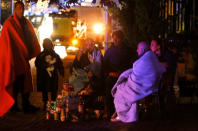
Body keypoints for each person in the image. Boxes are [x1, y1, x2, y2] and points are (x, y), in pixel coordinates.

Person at [0, 1, 41, 116]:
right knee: (15, 83)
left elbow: (30, 36)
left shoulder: (26, 22)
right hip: (14, 59)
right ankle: (14, 106)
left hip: (23, 59)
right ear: (15, 9)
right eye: (18, 8)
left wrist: (31, 50)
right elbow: (6, 43)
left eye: (22, 8)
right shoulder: (9, 24)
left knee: (25, 83)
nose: (21, 11)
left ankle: (25, 105)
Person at [111, 41, 166, 123]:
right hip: (151, 85)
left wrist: (128, 77)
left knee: (120, 90)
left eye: (138, 49)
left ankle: (123, 115)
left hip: (143, 86)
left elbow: (136, 77)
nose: (137, 51)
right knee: (121, 87)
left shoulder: (146, 60)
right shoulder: (151, 57)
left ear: (143, 50)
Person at [103, 30, 136, 119]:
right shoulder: (110, 51)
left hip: (125, 75)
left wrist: (123, 72)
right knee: (108, 85)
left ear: (121, 39)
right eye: (114, 39)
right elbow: (105, 65)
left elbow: (133, 64)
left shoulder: (128, 50)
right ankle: (109, 110)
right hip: (112, 75)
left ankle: (123, 110)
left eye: (117, 39)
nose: (115, 41)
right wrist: (110, 73)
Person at [69, 38, 103, 111]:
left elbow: (98, 66)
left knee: (90, 83)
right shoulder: (84, 53)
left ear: (93, 44)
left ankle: (90, 105)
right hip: (84, 75)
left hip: (95, 76)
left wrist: (91, 71)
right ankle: (79, 104)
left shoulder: (97, 53)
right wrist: (78, 57)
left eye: (90, 44)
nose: (88, 46)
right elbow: (75, 66)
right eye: (87, 44)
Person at [35, 38, 64, 110]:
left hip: (52, 77)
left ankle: (52, 107)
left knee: (53, 92)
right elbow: (37, 64)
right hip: (44, 77)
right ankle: (46, 105)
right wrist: (44, 66)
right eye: (46, 45)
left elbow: (59, 64)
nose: (48, 47)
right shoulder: (41, 55)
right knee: (45, 92)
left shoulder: (54, 55)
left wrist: (61, 71)